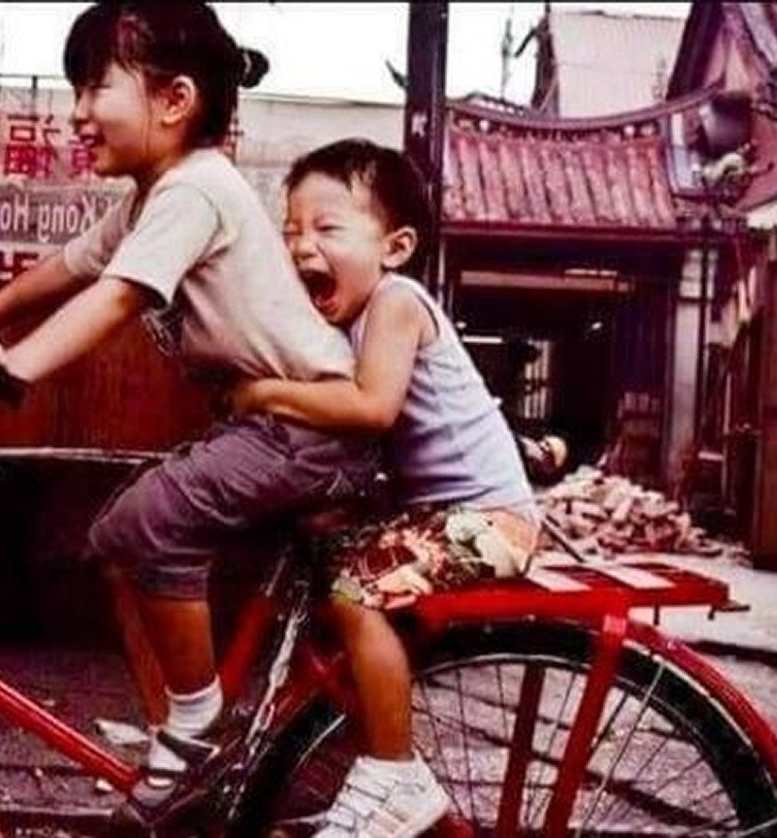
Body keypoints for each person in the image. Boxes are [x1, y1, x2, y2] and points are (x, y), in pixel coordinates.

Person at [0, 1, 378, 812]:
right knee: (114, 541)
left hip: (309, 426)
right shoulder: (150, 200)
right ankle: (186, 731)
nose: (76, 111)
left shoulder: (195, 191)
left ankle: (195, 726)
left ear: (173, 101)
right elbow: (63, 271)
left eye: (95, 86)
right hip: (273, 426)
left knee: (149, 523)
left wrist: (17, 365)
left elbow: (115, 299)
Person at [230, 138, 539, 837]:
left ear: (395, 247)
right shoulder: (355, 318)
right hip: (442, 514)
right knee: (327, 569)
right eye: (292, 231)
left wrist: (264, 395)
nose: (302, 246)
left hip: (490, 519)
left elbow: (373, 409)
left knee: (355, 592)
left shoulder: (397, 302)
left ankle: (393, 776)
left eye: (328, 228)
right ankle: (357, 766)